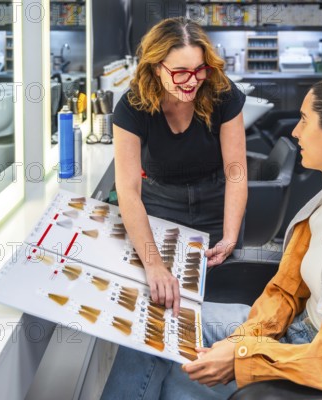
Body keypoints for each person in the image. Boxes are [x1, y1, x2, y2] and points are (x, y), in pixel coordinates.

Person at [101, 68, 322, 399]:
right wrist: (244, 341)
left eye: (305, 120)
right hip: (289, 332)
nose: (295, 132)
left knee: (173, 381)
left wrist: (244, 358)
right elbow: (286, 292)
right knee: (148, 323)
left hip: (310, 354)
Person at [112, 17, 247, 313]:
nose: (192, 81)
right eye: (180, 72)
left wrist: (229, 236)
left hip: (217, 204)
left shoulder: (222, 93)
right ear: (156, 67)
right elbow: (128, 190)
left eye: (200, 70)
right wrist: (153, 264)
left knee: (216, 304)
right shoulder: (132, 107)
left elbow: (236, 172)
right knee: (166, 307)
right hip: (161, 207)